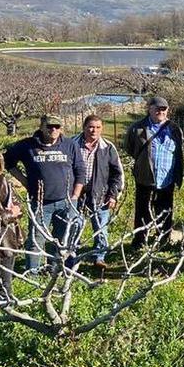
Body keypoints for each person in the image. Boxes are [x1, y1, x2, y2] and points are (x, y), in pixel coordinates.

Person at [3, 115, 85, 269]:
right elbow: (7, 161)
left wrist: (75, 196)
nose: (53, 129)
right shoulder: (27, 145)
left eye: (57, 126)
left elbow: (80, 170)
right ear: (41, 127)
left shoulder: (69, 145)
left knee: (63, 239)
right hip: (40, 203)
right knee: (36, 239)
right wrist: (25, 181)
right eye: (50, 126)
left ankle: (57, 270)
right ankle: (32, 272)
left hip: (66, 202)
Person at [124, 97, 184, 249]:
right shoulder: (137, 128)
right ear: (149, 108)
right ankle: (139, 241)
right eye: (157, 108)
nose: (160, 111)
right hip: (145, 177)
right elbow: (130, 148)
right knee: (142, 211)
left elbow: (179, 153)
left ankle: (163, 241)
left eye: (163, 109)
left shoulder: (175, 129)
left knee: (165, 211)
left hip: (167, 179)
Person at [73, 115, 124, 269]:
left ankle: (99, 257)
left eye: (97, 127)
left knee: (101, 228)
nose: (93, 130)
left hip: (100, 194)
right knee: (75, 226)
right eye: (90, 126)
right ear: (84, 127)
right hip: (76, 194)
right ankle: (72, 256)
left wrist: (113, 195)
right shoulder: (72, 144)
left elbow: (117, 174)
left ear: (102, 129)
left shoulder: (107, 148)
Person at [0, 153, 23, 301]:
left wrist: (14, 211)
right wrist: (11, 214)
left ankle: (7, 305)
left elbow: (18, 206)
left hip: (8, 238)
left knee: (6, 280)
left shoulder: (4, 182)